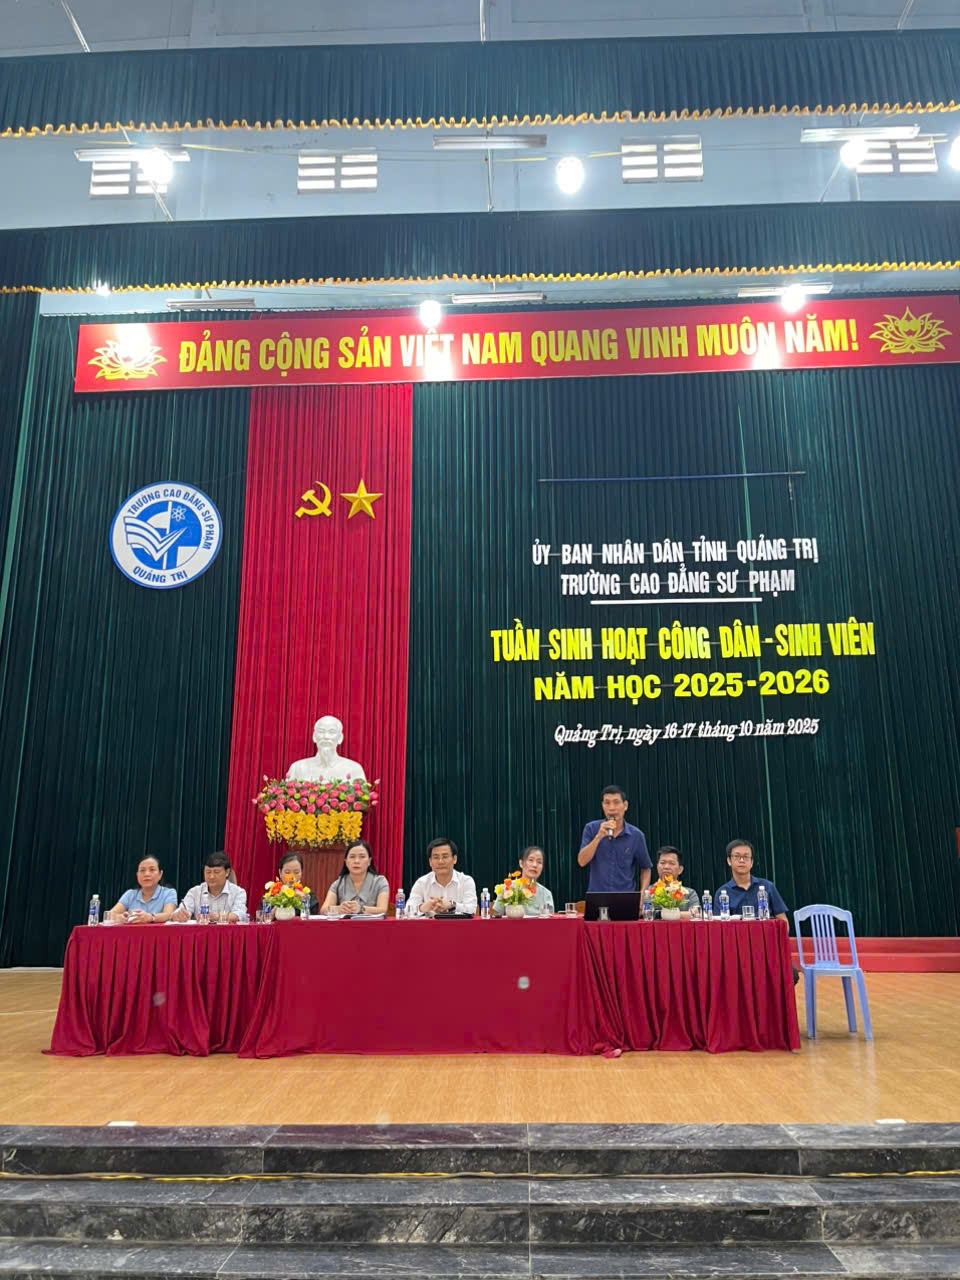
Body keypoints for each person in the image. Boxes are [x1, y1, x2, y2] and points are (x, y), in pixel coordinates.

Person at [577, 785, 652, 894]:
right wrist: (598, 837)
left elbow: (646, 868)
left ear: (625, 805)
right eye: (607, 803)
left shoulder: (636, 835)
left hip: (625, 896)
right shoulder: (591, 829)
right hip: (598, 896)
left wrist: (642, 894)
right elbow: (582, 861)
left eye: (616, 802)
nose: (611, 808)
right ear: (602, 806)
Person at [717, 839, 788, 922]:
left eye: (746, 857)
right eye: (737, 856)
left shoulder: (767, 886)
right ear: (729, 861)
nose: (742, 860)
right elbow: (718, 925)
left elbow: (783, 921)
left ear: (752, 862)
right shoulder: (722, 892)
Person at [406, 837, 477, 916]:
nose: (440, 862)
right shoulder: (422, 882)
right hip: (430, 924)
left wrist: (452, 905)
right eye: (436, 857)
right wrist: (424, 907)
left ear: (454, 859)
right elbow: (407, 910)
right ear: (430, 862)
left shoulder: (466, 881)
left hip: (458, 924)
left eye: (445, 856)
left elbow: (472, 909)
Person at [172, 851, 248, 922]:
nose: (211, 876)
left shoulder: (238, 892)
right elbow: (180, 911)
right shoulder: (194, 892)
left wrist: (218, 916)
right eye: (208, 872)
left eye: (216, 872)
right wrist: (178, 915)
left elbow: (240, 914)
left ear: (227, 872)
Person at [287, 715, 366, 782]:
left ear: (340, 738)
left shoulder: (354, 769)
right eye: (321, 731)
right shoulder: (298, 768)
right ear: (314, 736)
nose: (326, 737)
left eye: (332, 732)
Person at [320, 839, 389, 916]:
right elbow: (323, 910)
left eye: (362, 857)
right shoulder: (339, 883)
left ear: (369, 861)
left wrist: (361, 909)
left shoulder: (380, 882)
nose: (356, 861)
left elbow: (383, 909)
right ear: (346, 861)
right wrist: (338, 909)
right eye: (352, 857)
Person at [106, 855, 177, 923]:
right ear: (137, 875)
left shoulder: (169, 893)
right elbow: (109, 915)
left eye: (152, 870)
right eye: (142, 870)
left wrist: (151, 917)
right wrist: (120, 917)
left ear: (160, 874)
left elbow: (169, 915)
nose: (146, 874)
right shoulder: (130, 894)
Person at [493, 845, 555, 916]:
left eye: (539, 862)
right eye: (531, 860)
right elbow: (496, 917)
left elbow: (551, 920)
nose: (535, 865)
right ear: (521, 863)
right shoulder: (507, 888)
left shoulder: (546, 894)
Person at [649, 846, 700, 919]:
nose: (666, 867)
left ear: (680, 869)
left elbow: (696, 914)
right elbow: (646, 913)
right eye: (662, 863)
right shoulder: (648, 892)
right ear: (657, 867)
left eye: (671, 863)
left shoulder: (689, 893)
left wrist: (663, 914)